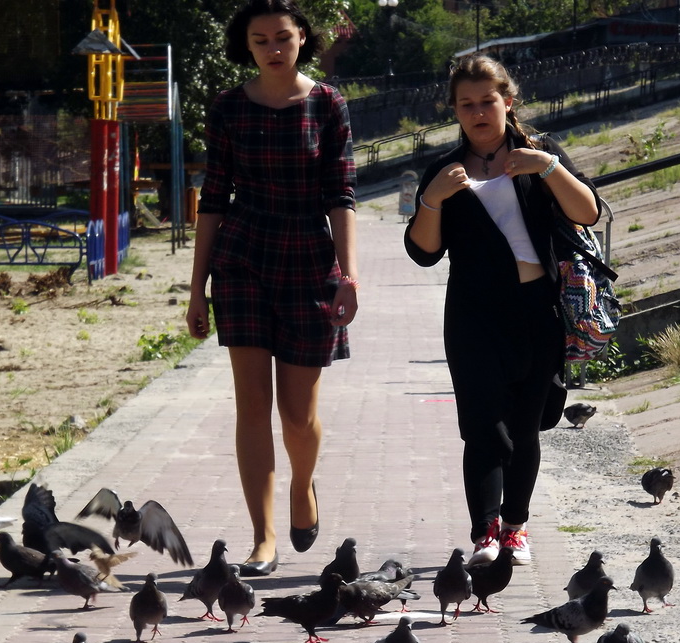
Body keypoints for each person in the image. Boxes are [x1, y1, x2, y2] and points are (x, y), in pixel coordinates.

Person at [404, 54, 601, 566]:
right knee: (483, 427)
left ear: (507, 101)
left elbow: (588, 212)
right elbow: (423, 252)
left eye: (487, 101)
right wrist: (432, 200)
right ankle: (485, 532)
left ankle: (516, 527)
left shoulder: (540, 153)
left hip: (538, 311)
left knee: (525, 426)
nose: (477, 112)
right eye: (465, 104)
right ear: (454, 111)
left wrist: (549, 168)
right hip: (473, 316)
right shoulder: (444, 170)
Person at [186, 0, 359, 577]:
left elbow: (342, 195)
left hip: (309, 258)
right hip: (241, 257)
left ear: (302, 37)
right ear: (248, 46)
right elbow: (213, 199)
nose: (273, 49)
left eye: (282, 37)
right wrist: (196, 289)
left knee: (296, 414)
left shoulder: (328, 104)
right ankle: (262, 539)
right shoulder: (229, 107)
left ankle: (302, 485)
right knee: (252, 405)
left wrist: (349, 276)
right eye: (260, 41)